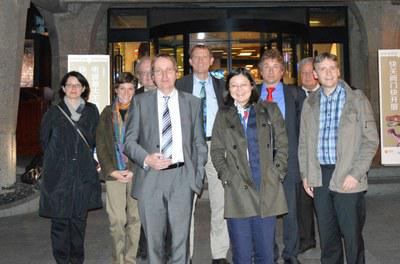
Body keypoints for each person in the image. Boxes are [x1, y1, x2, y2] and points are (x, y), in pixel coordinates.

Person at [124, 54, 208, 263]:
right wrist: (146, 159)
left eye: (169, 69)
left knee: (181, 243)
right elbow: (129, 142)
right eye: (158, 71)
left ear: (176, 73)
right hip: (150, 178)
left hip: (182, 179)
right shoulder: (140, 102)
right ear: (152, 76)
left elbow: (199, 144)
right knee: (153, 245)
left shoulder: (192, 103)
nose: (164, 75)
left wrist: (195, 180)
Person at [298, 52, 379, 264]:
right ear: (315, 74)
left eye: (332, 68)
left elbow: (371, 140)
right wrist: (306, 175)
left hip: (348, 174)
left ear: (339, 71)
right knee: (328, 237)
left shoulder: (357, 99)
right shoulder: (310, 104)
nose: (328, 73)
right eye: (322, 69)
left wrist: (356, 173)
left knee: (352, 237)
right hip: (320, 176)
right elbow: (304, 143)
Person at [210, 68, 288, 264]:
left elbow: (283, 144)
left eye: (243, 84)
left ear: (252, 86)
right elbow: (217, 151)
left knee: (266, 254)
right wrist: (227, 176)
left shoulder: (270, 109)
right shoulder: (223, 115)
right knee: (242, 255)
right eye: (234, 85)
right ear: (228, 89)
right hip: (237, 189)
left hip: (266, 187)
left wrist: (276, 172)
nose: (239, 89)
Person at [39, 71, 102, 264]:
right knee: (59, 222)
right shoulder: (54, 112)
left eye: (77, 85)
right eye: (69, 85)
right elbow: (44, 140)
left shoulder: (92, 111)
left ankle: (76, 260)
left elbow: (95, 139)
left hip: (82, 174)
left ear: (83, 88)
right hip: (58, 175)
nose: (73, 88)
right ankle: (61, 260)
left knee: (78, 222)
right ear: (63, 89)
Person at [176, 44, 229, 264]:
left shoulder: (222, 86)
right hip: (189, 149)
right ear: (189, 61)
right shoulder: (180, 85)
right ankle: (185, 255)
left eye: (204, 57)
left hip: (216, 146)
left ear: (211, 61)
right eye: (195, 57)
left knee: (221, 202)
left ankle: (219, 254)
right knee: (186, 203)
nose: (199, 61)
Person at [257, 49, 305, 264]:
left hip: (288, 160)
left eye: (275, 66)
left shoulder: (295, 95)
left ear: (282, 71)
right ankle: (269, 250)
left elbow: (303, 131)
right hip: (260, 161)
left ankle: (291, 253)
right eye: (266, 67)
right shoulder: (250, 93)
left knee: (290, 211)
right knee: (263, 210)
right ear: (260, 71)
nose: (270, 71)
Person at [96, 72, 141, 264]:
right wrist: (111, 170)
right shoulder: (106, 113)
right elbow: (101, 144)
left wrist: (134, 169)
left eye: (130, 88)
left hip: (136, 172)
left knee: (135, 219)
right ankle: (118, 259)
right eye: (122, 88)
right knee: (116, 220)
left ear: (135, 90)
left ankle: (130, 259)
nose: (126, 92)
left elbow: (147, 142)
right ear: (116, 90)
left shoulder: (141, 110)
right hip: (114, 172)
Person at [297, 57, 318, 254]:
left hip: (325, 158)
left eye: (310, 72)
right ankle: (307, 238)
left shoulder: (330, 93)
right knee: (303, 202)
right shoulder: (295, 95)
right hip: (303, 157)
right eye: (302, 73)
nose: (306, 76)